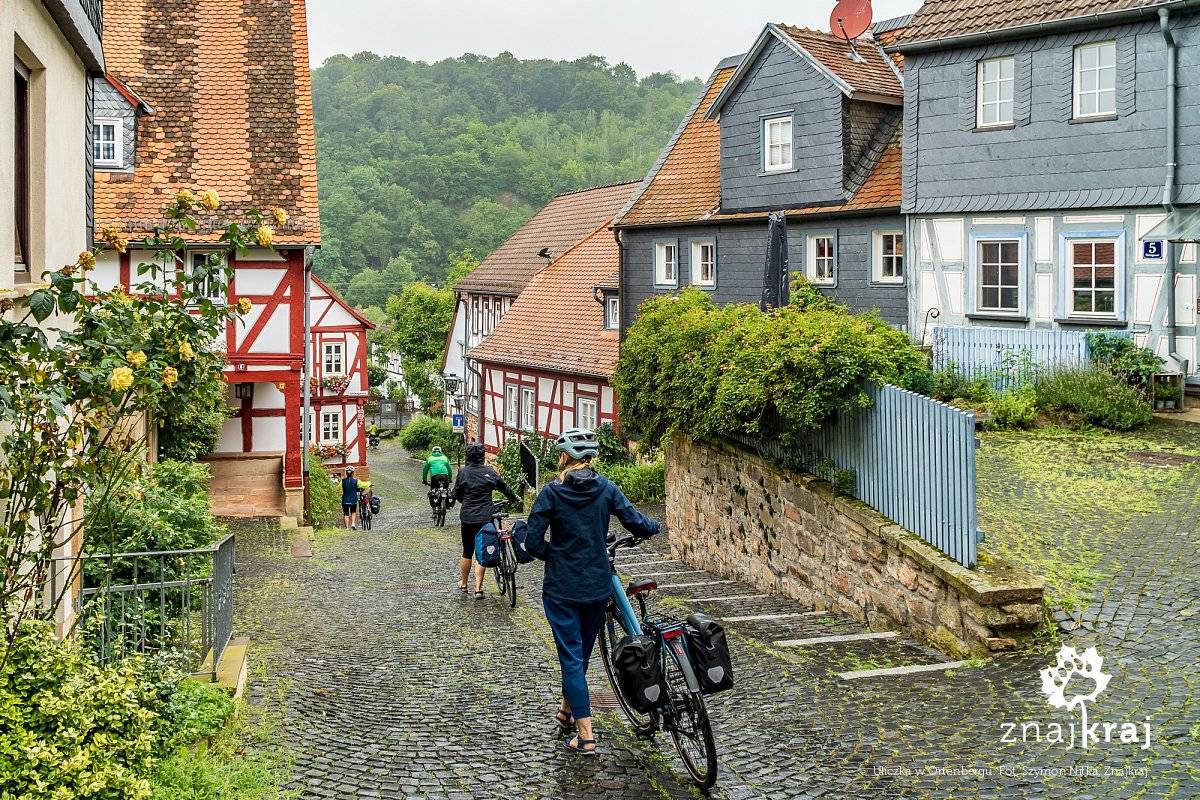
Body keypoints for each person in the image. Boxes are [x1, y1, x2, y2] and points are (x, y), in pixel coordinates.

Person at [522, 428, 659, 756]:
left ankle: (585, 736)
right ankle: (567, 710)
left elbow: (533, 542)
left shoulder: (552, 493)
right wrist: (655, 526)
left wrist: (555, 554)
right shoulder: (606, 488)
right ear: (590, 458)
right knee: (580, 654)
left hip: (562, 589)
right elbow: (636, 522)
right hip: (597, 587)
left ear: (564, 457)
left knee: (571, 658)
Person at [451, 441, 520, 597]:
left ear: (468, 456)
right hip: (485, 517)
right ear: (482, 456)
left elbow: (456, 494)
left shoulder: (463, 472)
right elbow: (504, 487)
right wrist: (513, 498)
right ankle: (478, 588)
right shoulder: (489, 472)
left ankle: (463, 584)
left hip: (467, 517)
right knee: (482, 551)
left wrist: (465, 500)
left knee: (467, 551)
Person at [422, 446, 453, 510]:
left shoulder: (429, 459)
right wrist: (450, 479)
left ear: (432, 452)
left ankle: (434, 507)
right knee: (446, 489)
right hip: (445, 476)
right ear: (440, 451)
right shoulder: (445, 458)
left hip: (434, 477)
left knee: (433, 490)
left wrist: (424, 480)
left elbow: (425, 470)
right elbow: (449, 469)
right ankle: (447, 504)